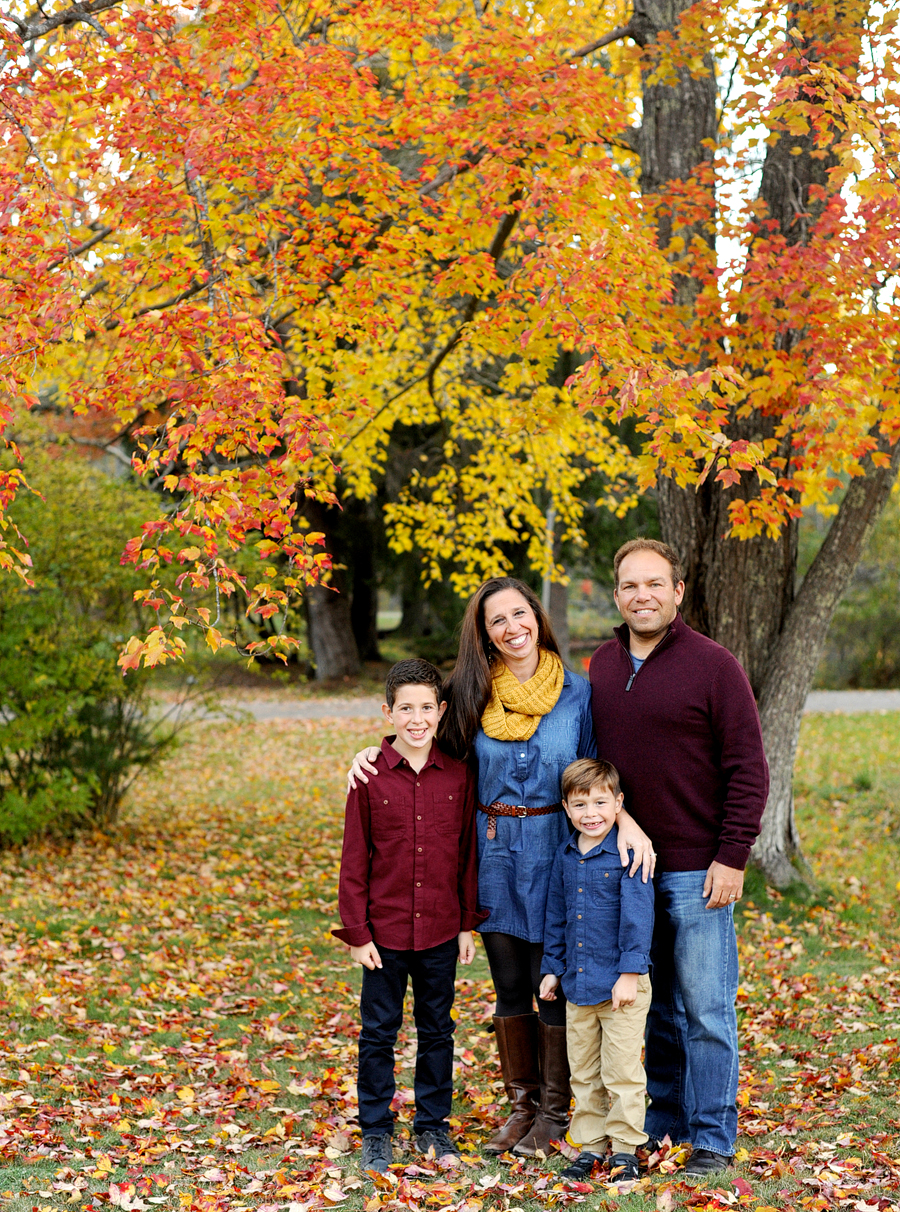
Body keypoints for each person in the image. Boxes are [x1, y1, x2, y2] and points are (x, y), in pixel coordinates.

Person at [347, 578, 655, 1158]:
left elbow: (597, 774)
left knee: (553, 981)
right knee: (510, 984)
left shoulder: (577, 692)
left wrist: (627, 821)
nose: (512, 628)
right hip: (493, 852)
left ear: (536, 617)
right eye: (497, 621)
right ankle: (522, 1104)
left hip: (558, 850)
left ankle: (556, 1109)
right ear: (483, 633)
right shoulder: (470, 691)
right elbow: (427, 745)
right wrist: (372, 754)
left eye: (520, 614)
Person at [588, 539, 769, 1178]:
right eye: (631, 585)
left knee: (707, 1009)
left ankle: (715, 1138)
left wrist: (732, 856)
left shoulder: (714, 666)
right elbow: (596, 771)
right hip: (628, 870)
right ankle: (665, 1127)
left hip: (699, 869)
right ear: (617, 595)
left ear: (678, 592)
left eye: (655, 584)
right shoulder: (603, 666)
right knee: (652, 1009)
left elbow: (749, 768)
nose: (643, 595)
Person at [333, 658, 488, 1176]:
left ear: (441, 711)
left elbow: (467, 854)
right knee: (378, 1031)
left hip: (442, 929)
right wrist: (357, 933)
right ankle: (376, 1131)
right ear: (388, 711)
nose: (417, 718)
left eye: (427, 707)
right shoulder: (369, 777)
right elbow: (354, 858)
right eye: (406, 708)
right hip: (385, 932)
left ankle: (432, 1125)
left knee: (437, 1030)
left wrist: (467, 923)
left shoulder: (459, 774)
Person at [539, 758, 654, 1184]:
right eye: (580, 804)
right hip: (578, 984)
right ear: (566, 809)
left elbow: (639, 918)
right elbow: (556, 916)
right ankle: (589, 1146)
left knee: (621, 1071)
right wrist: (552, 969)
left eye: (601, 803)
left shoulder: (628, 851)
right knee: (584, 1072)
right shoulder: (566, 855)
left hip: (622, 985)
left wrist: (629, 973)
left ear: (618, 803)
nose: (591, 813)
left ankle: (625, 1150)